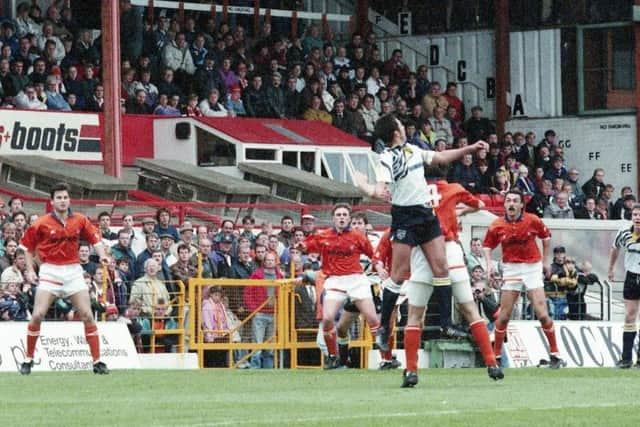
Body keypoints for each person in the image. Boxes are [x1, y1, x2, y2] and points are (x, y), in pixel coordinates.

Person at [353, 114, 488, 354]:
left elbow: (440, 156)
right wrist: (363, 184)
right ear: (395, 132)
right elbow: (381, 192)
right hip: (405, 218)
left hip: (427, 216)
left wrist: (468, 148)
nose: (404, 127)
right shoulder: (386, 159)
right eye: (400, 125)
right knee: (398, 274)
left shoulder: (413, 150)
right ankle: (383, 326)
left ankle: (446, 324)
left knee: (441, 269)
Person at [400, 166, 502, 387]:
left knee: (415, 315)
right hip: (449, 249)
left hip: (422, 251)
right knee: (469, 308)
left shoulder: (411, 189)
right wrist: (459, 211)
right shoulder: (454, 188)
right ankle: (492, 363)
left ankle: (410, 370)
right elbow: (481, 205)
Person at [18, 182, 110, 375]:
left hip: (73, 271)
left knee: (87, 314)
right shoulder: (41, 223)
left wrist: (102, 254)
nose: (62, 201)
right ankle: (28, 359)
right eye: (58, 197)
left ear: (69, 200)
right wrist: (31, 270)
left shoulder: (80, 219)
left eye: (65, 197)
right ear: (52, 201)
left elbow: (96, 239)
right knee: (37, 315)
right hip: (50, 271)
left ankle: (98, 362)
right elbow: (26, 248)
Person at [483, 189, 565, 369]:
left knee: (542, 314)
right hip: (511, 268)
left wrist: (545, 261)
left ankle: (555, 354)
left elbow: (546, 236)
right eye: (508, 201)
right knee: (503, 316)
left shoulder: (532, 220)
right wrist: (489, 265)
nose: (511, 204)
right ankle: (495, 357)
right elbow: (487, 245)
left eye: (515, 201)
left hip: (532, 267)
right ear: (504, 204)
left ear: (521, 205)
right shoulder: (497, 224)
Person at [299, 203, 380, 369]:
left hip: (356, 280)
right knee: (328, 318)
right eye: (338, 215)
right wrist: (301, 246)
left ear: (349, 218)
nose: (342, 217)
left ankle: (385, 358)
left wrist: (379, 267)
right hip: (335, 280)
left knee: (372, 318)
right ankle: (333, 356)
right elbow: (306, 246)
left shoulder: (358, 237)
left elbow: (373, 255)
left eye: (344, 215)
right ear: (333, 218)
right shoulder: (324, 236)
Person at [608, 203, 640, 368]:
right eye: (635, 215)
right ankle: (626, 358)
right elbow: (615, 248)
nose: (637, 218)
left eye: (639, 215)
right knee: (629, 316)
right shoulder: (624, 232)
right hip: (632, 276)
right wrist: (611, 268)